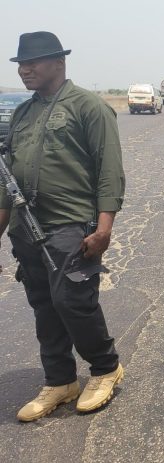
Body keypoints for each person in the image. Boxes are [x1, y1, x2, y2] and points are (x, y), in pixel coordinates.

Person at [0, 31, 125, 422]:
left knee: (73, 301)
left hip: (71, 224)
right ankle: (60, 380)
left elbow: (109, 172)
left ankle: (105, 368)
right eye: (21, 64)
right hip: (27, 228)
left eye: (33, 62)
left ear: (59, 62)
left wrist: (104, 228)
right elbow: (7, 182)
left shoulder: (89, 107)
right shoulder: (22, 113)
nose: (25, 70)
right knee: (43, 305)